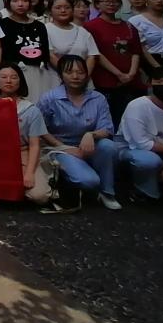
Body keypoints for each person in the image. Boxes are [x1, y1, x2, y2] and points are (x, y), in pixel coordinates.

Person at [37, 54, 121, 211]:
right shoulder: (49, 98)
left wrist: (91, 135)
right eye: (69, 72)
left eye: (80, 72)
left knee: (109, 146)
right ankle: (67, 182)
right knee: (89, 181)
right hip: (61, 148)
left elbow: (107, 128)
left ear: (87, 74)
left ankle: (107, 192)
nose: (75, 76)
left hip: (90, 145)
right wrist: (64, 147)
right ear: (61, 75)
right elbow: (40, 129)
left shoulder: (98, 98)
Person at [0, 63, 52, 205]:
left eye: (13, 77)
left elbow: (34, 145)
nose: (9, 81)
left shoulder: (31, 110)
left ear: (20, 81)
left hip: (21, 153)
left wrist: (29, 173)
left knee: (40, 195)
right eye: (3, 77)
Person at [115, 68, 163, 201]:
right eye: (160, 81)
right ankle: (141, 190)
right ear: (150, 83)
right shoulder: (138, 106)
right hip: (133, 150)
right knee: (149, 161)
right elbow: (143, 144)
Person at [84, 0, 143, 127]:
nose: (111, 4)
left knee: (133, 119)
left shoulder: (128, 26)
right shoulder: (90, 26)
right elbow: (96, 53)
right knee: (111, 120)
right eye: (106, 1)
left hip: (131, 81)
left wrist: (131, 73)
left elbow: (136, 51)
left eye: (115, 1)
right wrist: (119, 74)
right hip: (106, 81)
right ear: (97, 4)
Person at [0, 0, 51, 103]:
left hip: (38, 71)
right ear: (8, 3)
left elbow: (45, 49)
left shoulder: (40, 25)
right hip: (14, 71)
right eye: (15, 1)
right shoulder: (3, 24)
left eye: (24, 0)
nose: (20, 4)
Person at [45, 0, 99, 80]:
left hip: (83, 79)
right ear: (50, 11)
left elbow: (92, 56)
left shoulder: (83, 31)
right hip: (56, 78)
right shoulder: (45, 29)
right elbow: (50, 55)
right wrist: (69, 75)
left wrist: (83, 77)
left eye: (67, 7)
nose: (63, 10)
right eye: (58, 8)